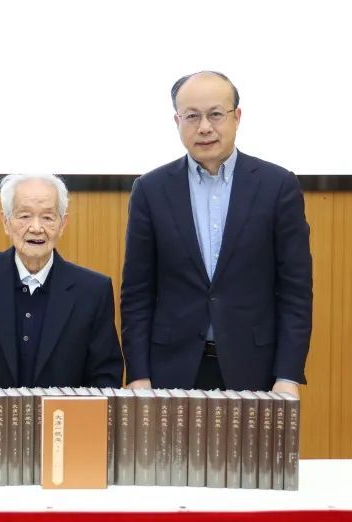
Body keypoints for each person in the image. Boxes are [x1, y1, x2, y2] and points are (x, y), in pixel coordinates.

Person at [121, 71, 312, 395]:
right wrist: (138, 374)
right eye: (192, 116)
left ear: (237, 117)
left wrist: (288, 374)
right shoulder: (150, 190)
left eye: (215, 114)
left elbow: (295, 290)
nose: (204, 127)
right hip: (171, 369)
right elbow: (137, 293)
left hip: (256, 369)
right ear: (177, 121)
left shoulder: (277, 186)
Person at [0, 174, 123, 389]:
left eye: (48, 217)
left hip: (63, 412)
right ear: (6, 222)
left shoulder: (93, 291)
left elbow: (105, 376)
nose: (36, 228)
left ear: (63, 224)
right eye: (24, 216)